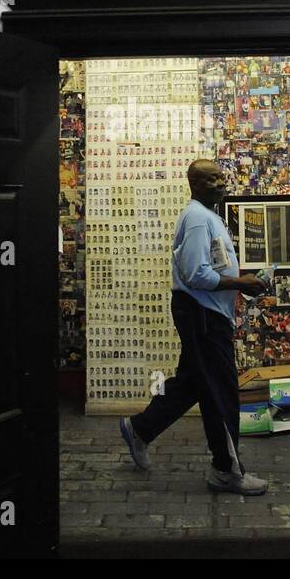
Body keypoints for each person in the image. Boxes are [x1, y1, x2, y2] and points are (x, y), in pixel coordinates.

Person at [119, 160, 270, 496]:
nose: (220, 183)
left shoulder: (208, 217)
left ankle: (140, 429)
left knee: (193, 384)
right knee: (220, 392)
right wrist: (240, 283)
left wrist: (240, 281)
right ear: (195, 184)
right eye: (210, 179)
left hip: (205, 314)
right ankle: (225, 471)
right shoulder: (199, 218)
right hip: (203, 314)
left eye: (220, 176)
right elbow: (195, 274)